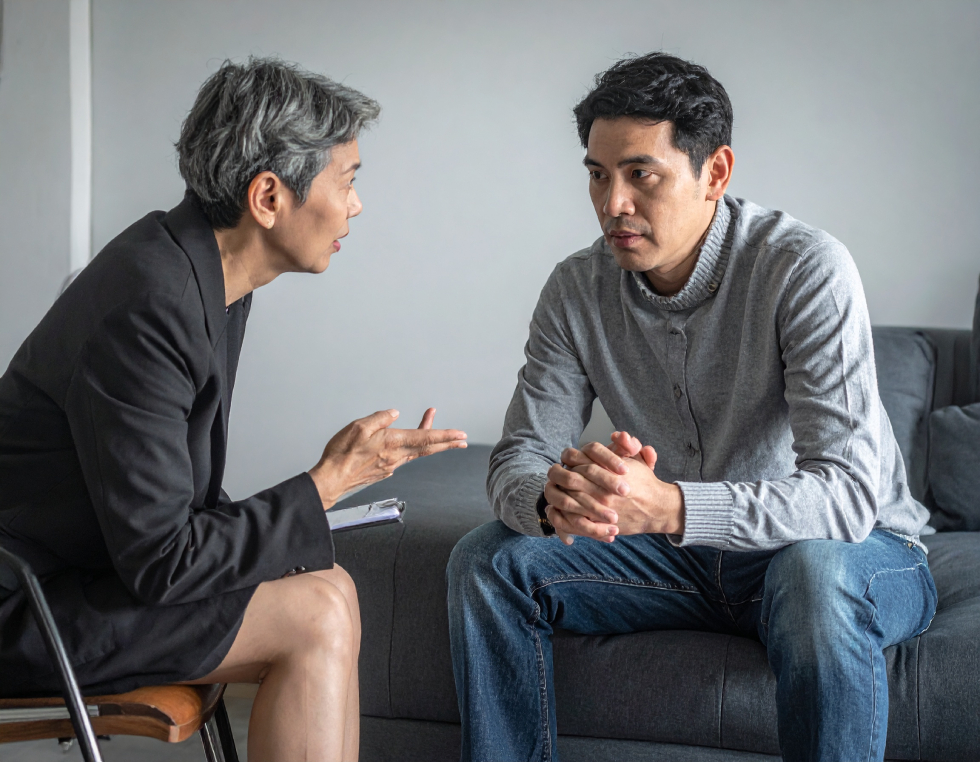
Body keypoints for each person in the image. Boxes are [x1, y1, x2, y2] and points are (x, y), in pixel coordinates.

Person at [447, 52, 936, 762]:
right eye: (596, 174)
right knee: (488, 561)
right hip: (679, 564)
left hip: (855, 554)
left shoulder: (804, 268)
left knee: (813, 574)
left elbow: (848, 498)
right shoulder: (575, 289)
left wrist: (672, 506)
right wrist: (556, 503)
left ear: (715, 173)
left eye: (641, 174)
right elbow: (519, 456)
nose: (613, 203)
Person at [0, 57, 467, 762]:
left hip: (90, 577)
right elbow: (163, 560)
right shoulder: (150, 302)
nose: (356, 205)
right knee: (315, 612)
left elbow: (175, 514)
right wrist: (327, 483)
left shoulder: (207, 275)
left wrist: (325, 490)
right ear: (268, 197)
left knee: (330, 588)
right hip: (29, 605)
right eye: (348, 180)